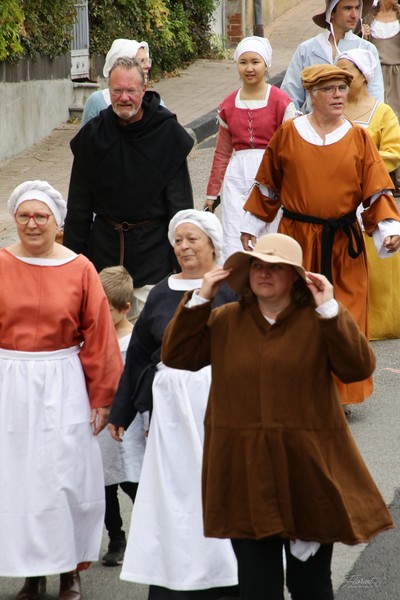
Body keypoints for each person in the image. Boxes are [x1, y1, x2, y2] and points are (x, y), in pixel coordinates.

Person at [161, 232, 394, 600]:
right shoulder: (225, 320)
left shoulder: (319, 320)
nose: (263, 274)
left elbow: (357, 367)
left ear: (296, 278)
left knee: (310, 586)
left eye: (275, 268)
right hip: (244, 475)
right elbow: (177, 356)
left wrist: (331, 311)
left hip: (306, 472)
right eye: (257, 265)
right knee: (257, 588)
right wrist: (200, 299)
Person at [240, 64, 400, 411]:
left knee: (345, 315)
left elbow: (376, 192)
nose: (339, 95)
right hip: (296, 243)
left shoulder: (359, 137)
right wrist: (251, 226)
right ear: (312, 94)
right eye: (329, 89)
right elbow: (268, 184)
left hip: (344, 244)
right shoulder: (288, 134)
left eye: (342, 88)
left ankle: (337, 393)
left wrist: (387, 228)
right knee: (296, 315)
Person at [0, 181, 123, 600]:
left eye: (41, 217)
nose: (32, 224)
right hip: (10, 382)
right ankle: (32, 572)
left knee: (65, 477)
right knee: (18, 480)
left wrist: (104, 396)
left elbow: (100, 335)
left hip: (62, 380)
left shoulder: (80, 268)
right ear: (14, 219)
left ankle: (70, 568)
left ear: (57, 222)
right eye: (24, 216)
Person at [108, 209, 239, 599]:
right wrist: (122, 410)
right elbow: (140, 354)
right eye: (178, 240)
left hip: (219, 400)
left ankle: (225, 571)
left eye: (191, 239)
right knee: (175, 491)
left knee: (218, 485)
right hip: (171, 412)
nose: (182, 246)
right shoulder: (164, 291)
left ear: (212, 243)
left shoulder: (232, 288)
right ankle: (174, 575)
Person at [63, 57, 194, 313]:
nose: (124, 98)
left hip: (154, 257)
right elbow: (78, 208)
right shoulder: (94, 135)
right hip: (104, 257)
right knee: (105, 341)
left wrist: (181, 264)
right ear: (108, 91)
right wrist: (71, 265)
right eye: (117, 90)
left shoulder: (167, 133)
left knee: (153, 341)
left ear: (144, 89)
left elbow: (180, 207)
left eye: (131, 90)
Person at [203, 36, 295, 260]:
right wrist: (211, 194)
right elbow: (223, 152)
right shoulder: (227, 105)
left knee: (270, 234)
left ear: (266, 64)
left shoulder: (281, 102)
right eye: (243, 62)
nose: (249, 68)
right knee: (235, 234)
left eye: (255, 62)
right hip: (238, 178)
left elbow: (291, 151)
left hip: (271, 175)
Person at [337, 48, 400, 339]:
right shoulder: (331, 110)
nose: (343, 78)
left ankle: (376, 323)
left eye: (348, 71)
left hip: (371, 193)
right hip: (339, 194)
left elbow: (394, 152)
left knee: (375, 262)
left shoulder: (382, 112)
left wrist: (363, 163)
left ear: (363, 75)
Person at [97, 266, 148, 567]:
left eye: (108, 311)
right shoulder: (90, 339)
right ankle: (115, 537)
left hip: (129, 425)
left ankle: (147, 534)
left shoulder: (135, 341)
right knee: (103, 488)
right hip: (99, 426)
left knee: (135, 483)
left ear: (125, 308)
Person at [281, 0, 383, 114]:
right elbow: (289, 98)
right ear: (332, 13)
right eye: (347, 8)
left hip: (355, 125)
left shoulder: (366, 49)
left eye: (357, 8)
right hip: (314, 126)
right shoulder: (307, 50)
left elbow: (376, 97)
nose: (354, 15)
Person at [362, 0, 400, 191]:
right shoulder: (368, 17)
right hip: (377, 76)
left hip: (398, 76)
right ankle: (384, 175)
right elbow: (360, 48)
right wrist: (364, 33)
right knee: (379, 123)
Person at [81, 38, 154, 126]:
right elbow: (86, 137)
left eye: (147, 60)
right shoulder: (96, 102)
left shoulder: (154, 104)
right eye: (141, 61)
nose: (148, 66)